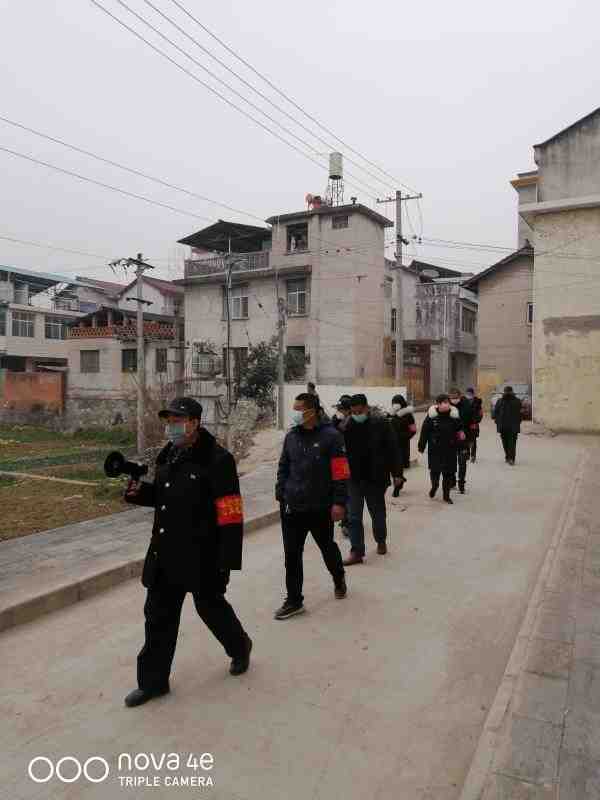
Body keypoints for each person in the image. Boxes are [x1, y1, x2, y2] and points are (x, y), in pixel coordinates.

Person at [123, 397, 251, 708]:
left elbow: (231, 513)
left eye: (177, 421)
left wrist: (226, 562)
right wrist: (140, 494)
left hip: (202, 556)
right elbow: (165, 497)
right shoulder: (169, 454)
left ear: (194, 422)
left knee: (211, 609)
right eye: (169, 421)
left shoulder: (218, 460)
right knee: (157, 618)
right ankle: (153, 683)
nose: (171, 427)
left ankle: (240, 647)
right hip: (165, 554)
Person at [274, 392, 349, 619]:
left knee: (327, 547)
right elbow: (283, 466)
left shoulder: (332, 437)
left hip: (320, 507)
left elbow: (340, 472)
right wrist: (281, 493)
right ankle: (294, 600)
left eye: (300, 410)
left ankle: (338, 577)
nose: (295, 414)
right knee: (292, 555)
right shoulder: (291, 436)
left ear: (313, 411)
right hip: (292, 507)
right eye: (294, 409)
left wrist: (339, 502)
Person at [342, 393, 403, 565]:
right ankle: (357, 552)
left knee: (377, 514)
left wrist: (397, 473)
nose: (357, 415)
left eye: (359, 411)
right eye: (353, 412)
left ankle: (381, 540)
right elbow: (339, 453)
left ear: (367, 408)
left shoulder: (381, 423)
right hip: (353, 479)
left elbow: (393, 449)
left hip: (375, 478)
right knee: (353, 517)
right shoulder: (346, 426)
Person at [418, 394, 465, 504]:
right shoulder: (431, 417)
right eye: (442, 402)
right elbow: (424, 431)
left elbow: (460, 433)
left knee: (448, 474)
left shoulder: (454, 417)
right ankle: (434, 486)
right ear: (437, 404)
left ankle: (446, 496)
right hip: (435, 450)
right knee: (435, 472)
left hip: (450, 450)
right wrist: (421, 445)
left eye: (447, 402)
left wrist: (462, 447)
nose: (445, 404)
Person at [388, 394, 417, 492]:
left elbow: (413, 430)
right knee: (393, 467)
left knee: (399, 467)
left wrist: (403, 437)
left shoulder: (408, 415)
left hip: (402, 445)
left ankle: (397, 487)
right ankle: (400, 480)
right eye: (394, 402)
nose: (395, 405)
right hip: (391, 445)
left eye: (397, 402)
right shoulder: (390, 414)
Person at [449, 387, 475, 494]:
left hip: (464, 438)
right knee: (450, 462)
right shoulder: (447, 406)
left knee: (462, 462)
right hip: (450, 439)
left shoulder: (467, 406)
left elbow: (472, 423)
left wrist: (471, 439)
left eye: (456, 397)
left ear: (460, 396)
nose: (454, 399)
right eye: (452, 397)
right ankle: (452, 482)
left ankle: (461, 483)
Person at [492, 385, 522, 465]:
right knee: (506, 443)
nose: (507, 393)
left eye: (508, 392)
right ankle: (508, 457)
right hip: (504, 426)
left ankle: (511, 458)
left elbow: (520, 413)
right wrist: (496, 420)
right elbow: (495, 412)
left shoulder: (517, 401)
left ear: (512, 392)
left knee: (511, 443)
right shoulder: (500, 401)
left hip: (512, 426)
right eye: (506, 392)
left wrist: (518, 421)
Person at [465, 388, 483, 463]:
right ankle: (467, 454)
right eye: (467, 393)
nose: (469, 395)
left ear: (473, 394)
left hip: (473, 424)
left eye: (470, 393)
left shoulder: (477, 402)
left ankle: (473, 455)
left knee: (473, 440)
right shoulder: (463, 401)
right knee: (465, 440)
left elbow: (480, 413)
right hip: (465, 424)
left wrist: (476, 421)